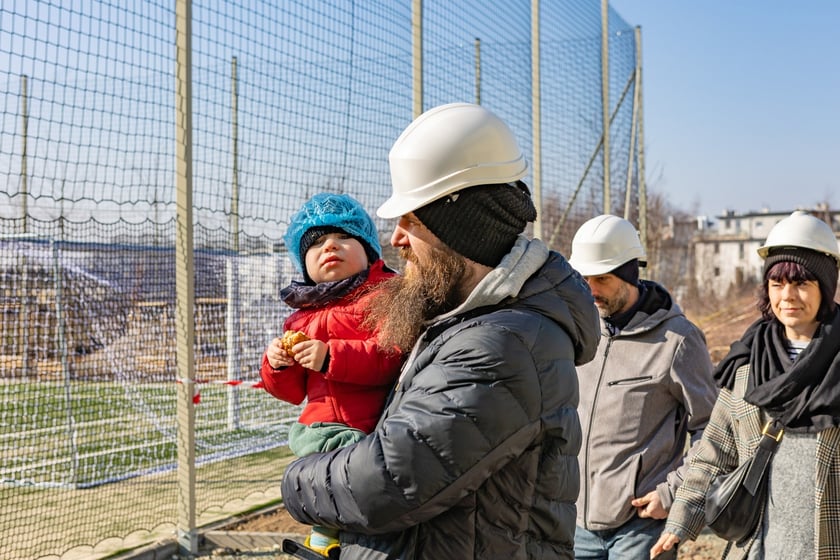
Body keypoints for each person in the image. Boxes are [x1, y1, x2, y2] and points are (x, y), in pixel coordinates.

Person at [279, 102, 601, 559]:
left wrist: (296, 478)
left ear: (459, 228)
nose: (396, 239)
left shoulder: (502, 344)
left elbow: (385, 483)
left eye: (411, 221)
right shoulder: (465, 323)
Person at [651, 210, 840, 560]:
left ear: (825, 287)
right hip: (758, 548)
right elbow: (713, 454)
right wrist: (679, 524)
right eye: (777, 283)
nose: (788, 296)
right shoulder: (748, 365)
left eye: (802, 283)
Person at [259, 192, 404, 555]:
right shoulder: (299, 316)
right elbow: (292, 392)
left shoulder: (385, 297)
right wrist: (276, 364)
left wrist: (331, 357)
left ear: (369, 249)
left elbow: (390, 357)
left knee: (350, 486)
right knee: (323, 486)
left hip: (366, 427)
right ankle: (325, 542)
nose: (330, 247)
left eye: (343, 237)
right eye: (317, 243)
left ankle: (334, 541)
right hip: (317, 428)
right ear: (302, 262)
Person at [567, 214, 718, 560]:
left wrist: (673, 492)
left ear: (629, 274)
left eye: (602, 279)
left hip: (640, 528)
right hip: (573, 525)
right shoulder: (577, 331)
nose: (590, 290)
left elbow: (711, 430)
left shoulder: (678, 340)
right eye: (584, 279)